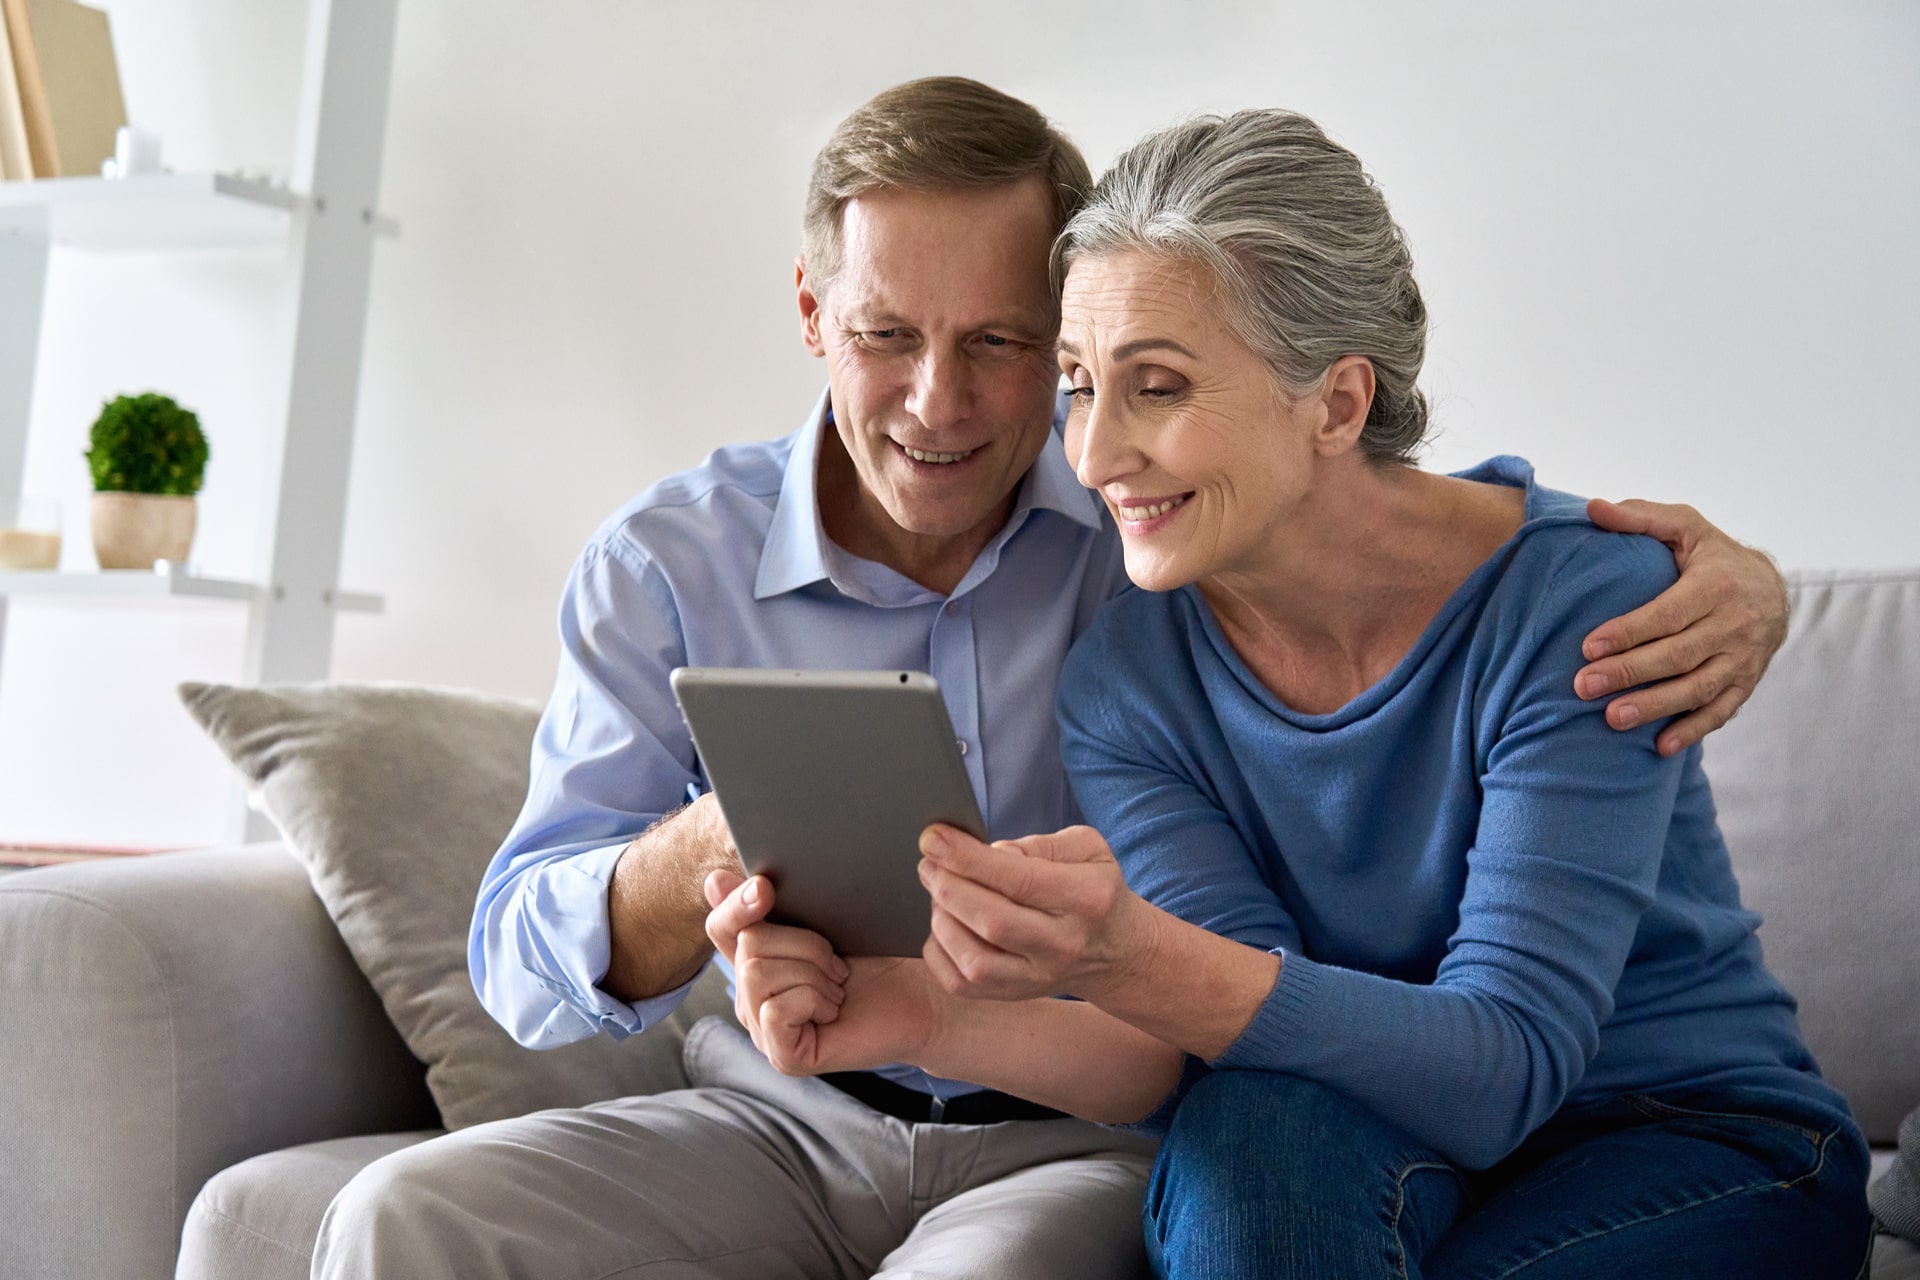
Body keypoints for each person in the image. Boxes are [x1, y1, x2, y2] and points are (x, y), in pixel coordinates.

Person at [314, 81, 1794, 1278]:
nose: (967, 411)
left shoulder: (1153, 553)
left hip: (1271, 1129)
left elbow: (1440, 1036)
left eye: (1017, 352)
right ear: (815, 314)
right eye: (890, 335)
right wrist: (748, 862)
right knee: (400, 1216)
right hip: (852, 1105)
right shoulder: (1118, 637)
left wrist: (1740, 578)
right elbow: (518, 956)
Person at [714, 109, 1872, 1279]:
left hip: (1675, 1137)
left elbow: (1507, 1065)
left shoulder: (1584, 604)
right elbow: (1232, 1039)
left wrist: (1126, 952)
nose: (1096, 451)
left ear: (1337, 403)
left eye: (1156, 386)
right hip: (1351, 1132)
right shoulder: (1127, 679)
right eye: (1077, 384)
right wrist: (922, 1009)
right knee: (1253, 1130)